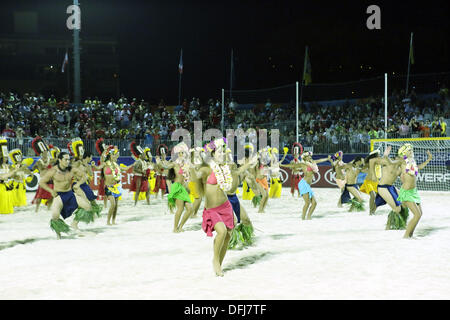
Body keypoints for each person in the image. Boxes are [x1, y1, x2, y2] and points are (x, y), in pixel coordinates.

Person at [189, 138, 235, 276]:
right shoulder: (207, 168)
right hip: (212, 209)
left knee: (228, 235)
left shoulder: (224, 167)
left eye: (223, 152)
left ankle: (219, 263)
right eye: (219, 152)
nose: (222, 154)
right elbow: (196, 175)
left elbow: (230, 186)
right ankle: (215, 260)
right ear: (213, 154)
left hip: (226, 206)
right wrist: (190, 165)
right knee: (221, 231)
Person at [39, 152, 95, 239]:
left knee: (87, 207)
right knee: (55, 216)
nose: (68, 161)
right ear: (60, 160)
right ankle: (58, 235)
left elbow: (84, 176)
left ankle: (74, 224)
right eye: (66, 159)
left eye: (69, 159)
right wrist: (51, 191)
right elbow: (41, 182)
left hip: (70, 194)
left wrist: (78, 184)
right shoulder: (53, 170)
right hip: (59, 196)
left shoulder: (71, 169)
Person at [397, 144, 432, 238]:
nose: (411, 151)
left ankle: (410, 235)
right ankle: (406, 236)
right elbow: (395, 161)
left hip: (414, 192)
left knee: (420, 214)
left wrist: (429, 159)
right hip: (407, 192)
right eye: (409, 150)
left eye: (411, 149)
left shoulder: (412, 161)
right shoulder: (403, 161)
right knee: (417, 215)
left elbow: (418, 168)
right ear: (404, 153)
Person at [371, 146, 409, 230]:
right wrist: (373, 174)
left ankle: (402, 222)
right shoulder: (388, 162)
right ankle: (389, 226)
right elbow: (372, 161)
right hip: (382, 187)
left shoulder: (400, 168)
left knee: (405, 204)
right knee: (397, 208)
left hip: (391, 187)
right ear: (397, 157)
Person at [162, 142, 193, 232]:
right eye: (179, 153)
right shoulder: (175, 164)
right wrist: (161, 161)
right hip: (177, 187)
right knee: (180, 208)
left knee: (190, 209)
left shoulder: (186, 165)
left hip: (183, 189)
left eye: (182, 152)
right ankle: (175, 228)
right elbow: (166, 166)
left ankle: (180, 226)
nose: (181, 154)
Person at [30, 136, 54, 212]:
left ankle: (49, 208)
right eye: (44, 153)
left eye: (46, 152)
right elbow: (38, 167)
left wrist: (54, 149)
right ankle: (37, 209)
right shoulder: (39, 161)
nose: (46, 153)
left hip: (51, 180)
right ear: (41, 153)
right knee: (39, 196)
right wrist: (37, 166)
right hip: (43, 181)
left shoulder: (50, 160)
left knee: (52, 195)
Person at [360, 150, 382, 215]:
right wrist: (368, 170)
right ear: (375, 155)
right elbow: (362, 169)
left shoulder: (379, 162)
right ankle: (370, 212)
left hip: (376, 182)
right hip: (368, 181)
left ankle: (373, 211)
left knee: (378, 198)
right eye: (378, 154)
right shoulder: (370, 163)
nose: (379, 155)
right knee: (373, 196)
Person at [129, 141, 150, 206]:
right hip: (138, 177)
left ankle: (148, 202)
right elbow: (134, 169)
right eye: (144, 155)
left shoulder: (144, 162)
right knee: (137, 190)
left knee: (148, 188)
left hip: (144, 177)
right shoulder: (138, 161)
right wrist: (142, 171)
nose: (145, 156)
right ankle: (135, 203)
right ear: (140, 156)